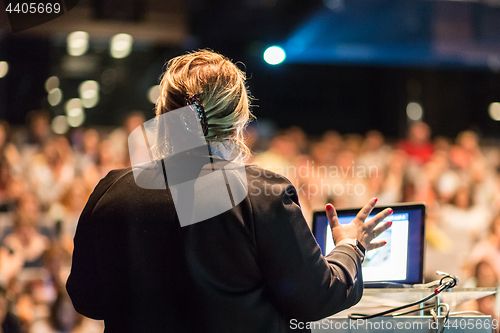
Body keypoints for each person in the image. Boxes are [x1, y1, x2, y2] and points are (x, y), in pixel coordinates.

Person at [66, 49, 392, 333]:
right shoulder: (263, 195)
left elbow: (87, 299)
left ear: (162, 115)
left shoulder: (110, 192)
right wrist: (351, 246)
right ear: (239, 123)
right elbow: (317, 297)